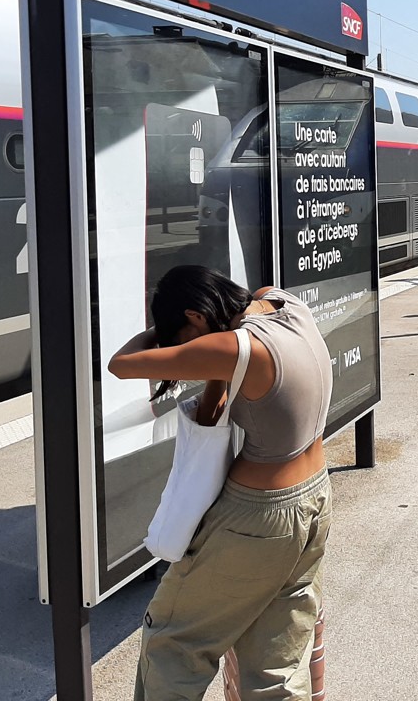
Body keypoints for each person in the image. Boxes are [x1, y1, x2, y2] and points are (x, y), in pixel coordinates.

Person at [109, 265, 333, 701]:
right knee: (276, 661)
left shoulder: (234, 347)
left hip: (257, 518)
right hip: (315, 501)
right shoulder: (285, 303)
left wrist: (163, 326)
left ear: (194, 317)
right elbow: (219, 401)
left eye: (182, 334)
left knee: (173, 641)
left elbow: (121, 365)